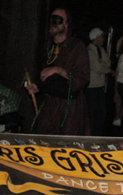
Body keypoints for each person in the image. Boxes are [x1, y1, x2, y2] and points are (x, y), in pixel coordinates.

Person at [26, 8, 90, 136]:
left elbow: (82, 78)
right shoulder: (49, 47)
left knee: (66, 144)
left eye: (59, 20)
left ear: (66, 24)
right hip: (51, 105)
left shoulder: (77, 46)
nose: (55, 24)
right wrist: (38, 87)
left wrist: (59, 70)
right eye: (52, 20)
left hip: (69, 107)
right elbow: (49, 77)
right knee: (43, 139)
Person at [86, 27, 111, 136]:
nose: (103, 38)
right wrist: (106, 69)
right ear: (96, 38)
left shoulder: (101, 50)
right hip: (91, 89)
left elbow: (107, 64)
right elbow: (97, 67)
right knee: (91, 115)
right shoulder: (89, 51)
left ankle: (97, 136)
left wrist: (105, 68)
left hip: (99, 88)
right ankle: (89, 136)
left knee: (101, 114)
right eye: (101, 36)